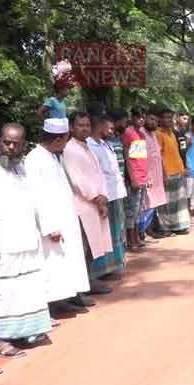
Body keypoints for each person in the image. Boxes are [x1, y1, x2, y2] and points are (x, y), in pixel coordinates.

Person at [0, 123, 52, 358]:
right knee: (5, 290)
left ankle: (27, 332)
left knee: (28, 287)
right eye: (7, 142)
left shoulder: (21, 167)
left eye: (16, 143)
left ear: (23, 145)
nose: (11, 147)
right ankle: (1, 339)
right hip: (3, 241)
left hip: (26, 238)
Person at [26, 118, 92, 319]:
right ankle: (50, 305)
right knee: (51, 265)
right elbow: (36, 197)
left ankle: (61, 300)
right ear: (57, 139)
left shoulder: (55, 156)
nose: (66, 143)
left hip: (65, 218)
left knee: (64, 263)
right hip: (51, 224)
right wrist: (49, 227)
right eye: (65, 139)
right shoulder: (35, 159)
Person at [62, 112, 114, 296]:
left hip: (97, 203)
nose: (84, 128)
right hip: (82, 205)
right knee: (83, 247)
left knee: (93, 246)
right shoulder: (69, 149)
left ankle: (90, 280)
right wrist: (96, 198)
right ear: (71, 127)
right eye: (80, 125)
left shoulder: (87, 147)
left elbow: (99, 174)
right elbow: (77, 180)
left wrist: (104, 197)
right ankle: (80, 289)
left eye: (87, 125)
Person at [87, 114, 128, 281]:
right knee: (106, 233)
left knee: (116, 231)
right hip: (104, 195)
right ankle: (103, 269)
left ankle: (115, 265)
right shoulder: (89, 146)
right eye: (108, 127)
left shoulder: (104, 144)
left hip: (116, 192)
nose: (111, 130)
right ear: (100, 125)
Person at [156, 109, 191, 234]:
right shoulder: (158, 134)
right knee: (166, 204)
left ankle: (179, 226)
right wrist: (164, 173)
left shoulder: (172, 133)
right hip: (167, 173)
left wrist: (183, 167)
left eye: (170, 118)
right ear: (159, 120)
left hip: (178, 171)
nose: (168, 120)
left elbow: (178, 153)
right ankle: (165, 227)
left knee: (179, 202)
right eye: (165, 117)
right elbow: (158, 155)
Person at [122, 108, 149, 251]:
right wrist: (132, 178)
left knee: (139, 210)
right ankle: (131, 240)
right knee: (131, 210)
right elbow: (127, 157)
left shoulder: (142, 134)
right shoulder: (128, 133)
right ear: (132, 118)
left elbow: (142, 157)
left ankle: (137, 237)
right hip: (134, 178)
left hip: (143, 176)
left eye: (143, 117)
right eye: (139, 117)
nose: (142, 120)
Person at [143, 111, 168, 238]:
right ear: (145, 118)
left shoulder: (153, 134)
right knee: (147, 204)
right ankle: (146, 230)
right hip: (147, 176)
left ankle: (152, 228)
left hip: (157, 175)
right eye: (151, 119)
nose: (153, 122)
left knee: (154, 203)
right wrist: (144, 176)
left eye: (155, 120)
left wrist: (164, 173)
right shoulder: (141, 134)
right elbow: (139, 159)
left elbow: (159, 156)